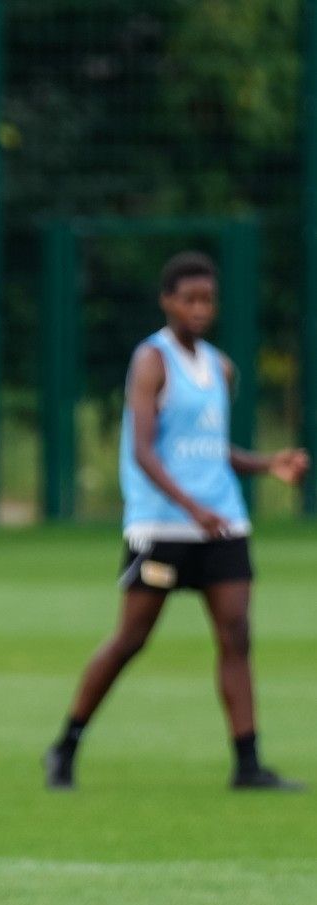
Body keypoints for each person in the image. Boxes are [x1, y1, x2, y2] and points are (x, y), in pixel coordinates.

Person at [44, 252, 309, 791]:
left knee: (236, 634)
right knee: (131, 640)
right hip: (164, 526)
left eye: (207, 300)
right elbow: (143, 450)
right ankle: (65, 744)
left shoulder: (221, 367)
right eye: (188, 299)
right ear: (167, 301)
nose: (199, 309)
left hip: (222, 522)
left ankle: (248, 764)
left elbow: (210, 451)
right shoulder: (151, 362)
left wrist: (267, 465)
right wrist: (191, 507)